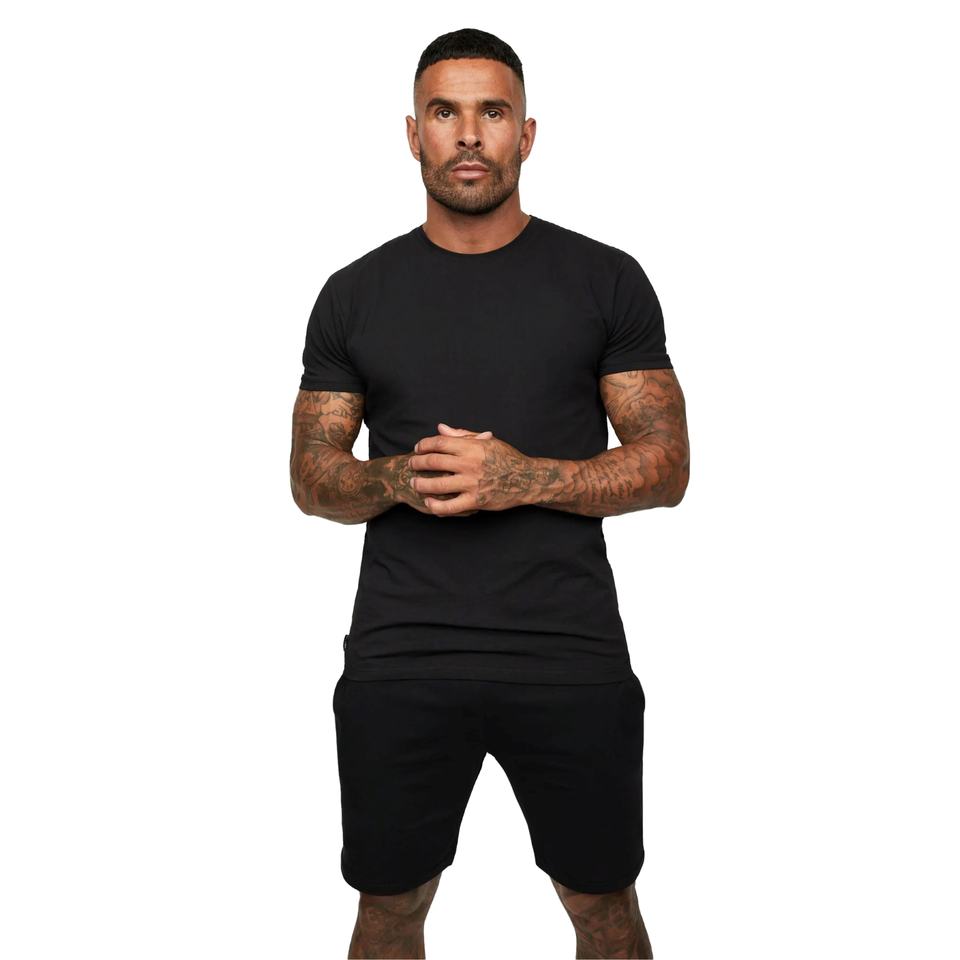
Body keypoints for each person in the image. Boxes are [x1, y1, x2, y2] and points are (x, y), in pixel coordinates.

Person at [289, 27, 689, 960]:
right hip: (402, 654)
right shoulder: (354, 293)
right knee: (390, 907)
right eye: (445, 112)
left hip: (569, 652)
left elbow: (666, 463)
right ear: (413, 133)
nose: (469, 133)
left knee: (602, 905)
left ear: (527, 133)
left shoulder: (605, 280)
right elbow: (311, 476)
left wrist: (522, 479)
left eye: (493, 112)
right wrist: (396, 475)